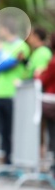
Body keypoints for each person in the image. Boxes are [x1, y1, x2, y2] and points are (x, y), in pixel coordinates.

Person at [0, 17, 30, 165]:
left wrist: (5, 60)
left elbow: (1, 65)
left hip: (14, 94)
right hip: (0, 92)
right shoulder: (1, 45)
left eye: (1, 28)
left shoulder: (21, 45)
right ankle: (6, 162)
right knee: (3, 132)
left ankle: (16, 161)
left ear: (6, 29)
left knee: (14, 131)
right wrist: (10, 61)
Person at [38, 33, 55, 176]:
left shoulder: (53, 61)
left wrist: (38, 74)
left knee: (52, 135)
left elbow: (44, 79)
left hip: (51, 103)